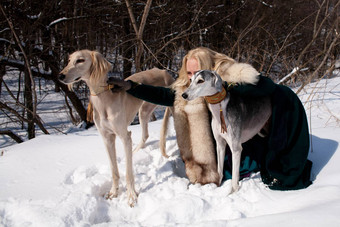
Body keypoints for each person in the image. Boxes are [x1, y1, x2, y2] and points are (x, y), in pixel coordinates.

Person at [108, 47, 313, 190]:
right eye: (188, 72)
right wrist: (131, 87)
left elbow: (266, 86)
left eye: (196, 72)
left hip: (245, 138)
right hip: (216, 146)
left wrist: (231, 88)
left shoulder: (226, 80)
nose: (191, 77)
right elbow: (163, 96)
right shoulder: (188, 89)